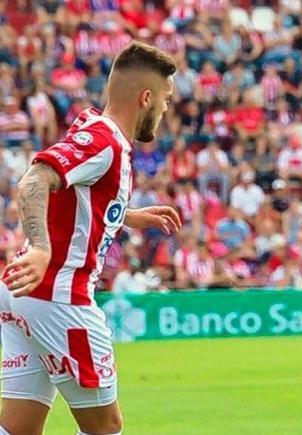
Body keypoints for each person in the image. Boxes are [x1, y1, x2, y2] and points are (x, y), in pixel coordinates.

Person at [0, 42, 181, 435]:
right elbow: (34, 181)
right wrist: (44, 248)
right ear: (146, 98)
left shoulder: (93, 128)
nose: (166, 110)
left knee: (19, 428)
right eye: (165, 100)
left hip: (23, 296)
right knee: (105, 426)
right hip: (59, 299)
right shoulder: (105, 141)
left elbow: (76, 197)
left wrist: (126, 217)